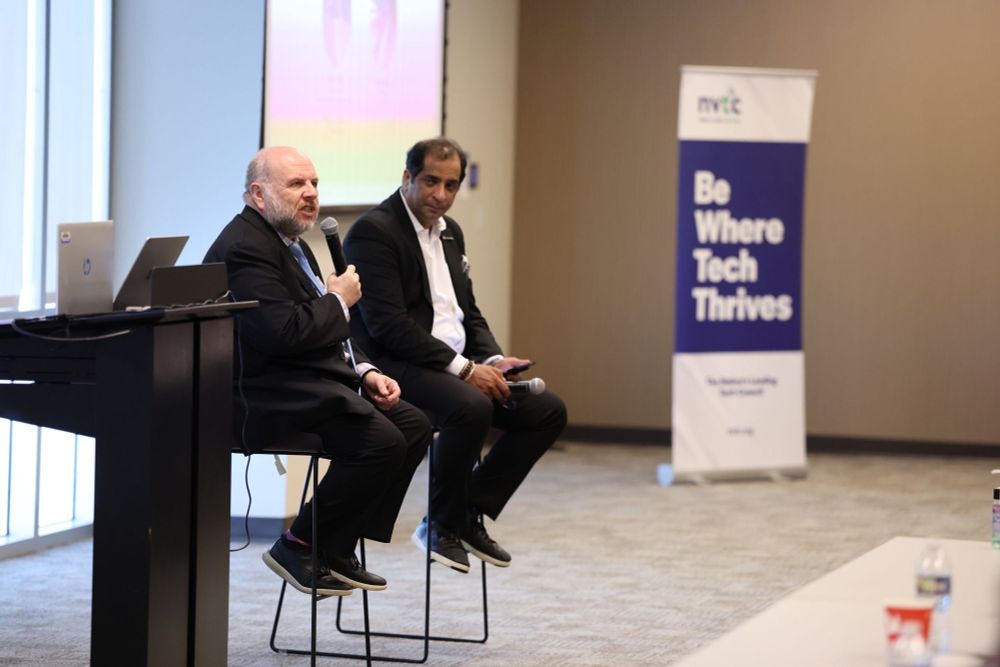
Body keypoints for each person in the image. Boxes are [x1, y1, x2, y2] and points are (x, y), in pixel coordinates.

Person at [204, 146, 431, 596]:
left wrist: (365, 371)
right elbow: (285, 334)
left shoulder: (290, 242)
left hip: (304, 380)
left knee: (414, 425)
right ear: (258, 194)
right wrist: (338, 300)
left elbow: (327, 330)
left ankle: (336, 544)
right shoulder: (246, 248)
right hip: (266, 391)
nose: (310, 193)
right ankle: (299, 544)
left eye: (314, 183)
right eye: (296, 184)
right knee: (382, 441)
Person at [343, 137, 567, 573]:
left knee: (547, 410)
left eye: (451, 185)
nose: (440, 195)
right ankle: (440, 523)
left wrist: (493, 360)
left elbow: (467, 312)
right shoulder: (375, 232)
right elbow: (389, 327)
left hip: (451, 366)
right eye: (430, 181)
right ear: (407, 177)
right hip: (395, 366)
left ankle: (466, 512)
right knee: (471, 405)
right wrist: (466, 370)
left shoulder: (451, 232)